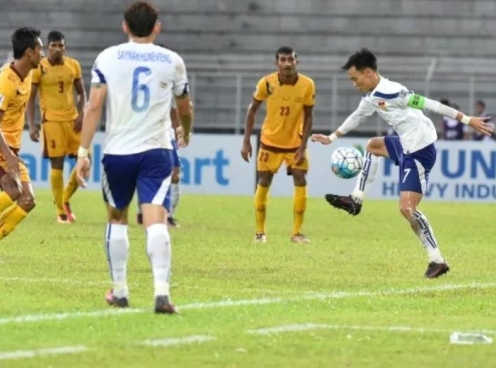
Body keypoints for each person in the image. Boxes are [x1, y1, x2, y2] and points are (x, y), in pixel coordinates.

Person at [311, 48, 492, 278]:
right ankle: (355, 199)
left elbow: (432, 104)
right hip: (405, 143)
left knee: (407, 208)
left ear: (368, 73)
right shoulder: (371, 96)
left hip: (419, 151)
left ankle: (437, 260)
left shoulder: (394, 92)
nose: (354, 84)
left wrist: (468, 120)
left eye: (355, 79)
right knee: (372, 146)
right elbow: (357, 116)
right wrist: (331, 137)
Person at [75, 1, 193, 314]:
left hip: (118, 153)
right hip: (156, 151)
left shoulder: (108, 57)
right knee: (156, 219)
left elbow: (94, 106)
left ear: (125, 26)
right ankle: (162, 293)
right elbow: (184, 108)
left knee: (117, 219)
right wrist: (186, 131)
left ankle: (121, 291)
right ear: (157, 27)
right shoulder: (172, 60)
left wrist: (83, 151)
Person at [241, 46, 315, 244]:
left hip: (294, 145)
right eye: (283, 60)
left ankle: (297, 233)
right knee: (263, 182)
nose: (287, 64)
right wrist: (246, 141)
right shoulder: (267, 83)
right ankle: (260, 232)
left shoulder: (307, 85)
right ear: (277, 63)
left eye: (290, 59)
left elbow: (309, 116)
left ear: (296, 62)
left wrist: (302, 146)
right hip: (269, 143)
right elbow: (252, 110)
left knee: (300, 179)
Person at [27, 30, 86, 223]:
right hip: (51, 121)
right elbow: (31, 97)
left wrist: (82, 114)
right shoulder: (39, 68)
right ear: (47, 47)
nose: (57, 49)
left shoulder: (73, 66)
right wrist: (32, 124)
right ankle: (60, 211)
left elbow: (81, 94)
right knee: (57, 164)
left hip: (73, 120)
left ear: (65, 47)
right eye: (53, 45)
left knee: (85, 162)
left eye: (61, 45)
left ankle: (65, 198)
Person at [0, 27, 43, 239]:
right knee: (13, 191)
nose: (42, 54)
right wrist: (7, 154)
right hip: (2, 149)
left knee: (27, 200)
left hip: (11, 150)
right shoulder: (5, 81)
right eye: (40, 49)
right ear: (29, 52)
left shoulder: (28, 74)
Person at [136, 89, 186, 228]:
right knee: (146, 174)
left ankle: (166, 215)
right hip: (148, 135)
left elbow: (174, 114)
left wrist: (178, 133)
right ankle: (146, 213)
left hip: (166, 135)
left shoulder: (166, 85)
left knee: (174, 174)